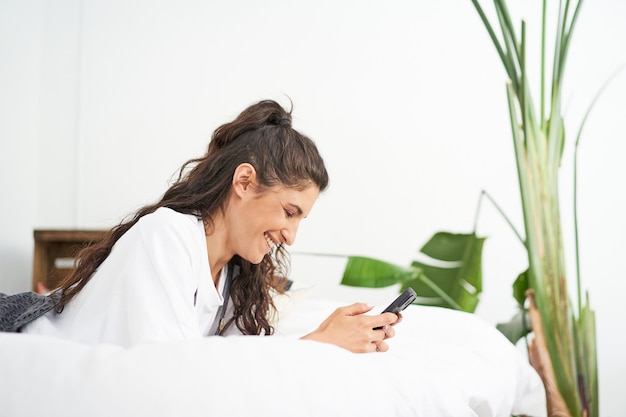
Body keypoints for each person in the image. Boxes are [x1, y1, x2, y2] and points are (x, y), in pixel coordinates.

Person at [20, 99, 399, 352]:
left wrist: (324, 339)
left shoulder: (235, 276)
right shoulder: (166, 236)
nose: (291, 236)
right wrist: (319, 344)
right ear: (244, 182)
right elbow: (173, 374)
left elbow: (235, 371)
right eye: (289, 211)